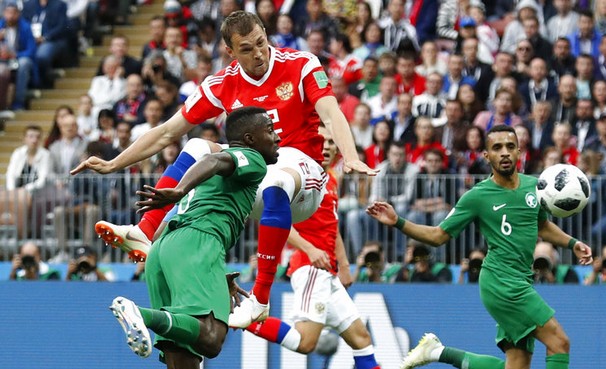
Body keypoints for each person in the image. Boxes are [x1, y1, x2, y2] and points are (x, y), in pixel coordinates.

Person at [73, 11, 376, 328]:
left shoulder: (301, 64)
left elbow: (330, 113)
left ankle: (259, 299)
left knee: (277, 180)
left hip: (302, 179)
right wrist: (113, 163)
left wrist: (350, 154)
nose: (258, 53)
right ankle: (144, 231)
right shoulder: (222, 83)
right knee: (196, 147)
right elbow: (166, 132)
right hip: (256, 177)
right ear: (230, 51)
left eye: (261, 42)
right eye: (247, 48)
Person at [366, 124, 593, 369]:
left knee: (516, 366)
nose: (504, 152)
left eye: (510, 147)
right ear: (486, 156)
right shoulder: (477, 196)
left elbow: (541, 225)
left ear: (519, 152)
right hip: (501, 283)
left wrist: (572, 243)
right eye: (497, 148)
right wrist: (397, 221)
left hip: (521, 279)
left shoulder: (535, 187)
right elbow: (438, 235)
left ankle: (438, 352)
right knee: (559, 342)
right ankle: (437, 352)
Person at [108, 107, 279, 366]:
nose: (277, 137)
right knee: (212, 337)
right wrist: (178, 190)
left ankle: (146, 316)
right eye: (270, 130)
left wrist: (208, 273)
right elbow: (213, 160)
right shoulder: (251, 159)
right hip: (197, 243)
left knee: (184, 360)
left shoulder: (218, 181)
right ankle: (140, 314)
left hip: (164, 248)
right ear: (249, 139)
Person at [243, 125, 381, 369]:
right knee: (306, 343)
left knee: (362, 338)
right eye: (322, 140)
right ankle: (243, 318)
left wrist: (345, 264)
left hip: (328, 270)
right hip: (310, 267)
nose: (326, 145)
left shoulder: (331, 179)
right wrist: (310, 249)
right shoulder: (301, 179)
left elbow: (332, 224)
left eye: (331, 141)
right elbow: (277, 218)